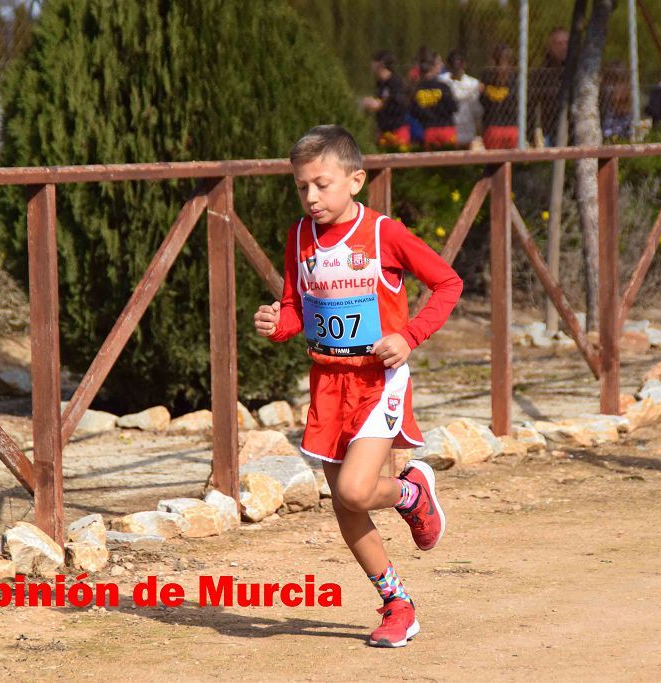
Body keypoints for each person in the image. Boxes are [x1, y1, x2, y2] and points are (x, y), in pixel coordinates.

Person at [254, 125, 463, 646]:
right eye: (301, 186)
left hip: (379, 382)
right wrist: (278, 324)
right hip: (327, 384)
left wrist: (409, 336)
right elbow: (295, 306)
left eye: (321, 184)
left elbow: (447, 282)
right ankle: (398, 604)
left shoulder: (383, 234)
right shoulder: (299, 237)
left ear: (356, 180)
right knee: (346, 504)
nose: (310, 197)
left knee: (354, 489)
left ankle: (411, 491)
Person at [528, 27, 569, 145]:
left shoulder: (579, 73)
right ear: (550, 47)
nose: (564, 47)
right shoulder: (541, 75)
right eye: (559, 43)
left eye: (567, 43)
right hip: (549, 130)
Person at [362, 50, 410, 150]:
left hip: (397, 130)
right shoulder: (379, 83)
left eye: (374, 61)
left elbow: (399, 105)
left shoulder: (395, 82)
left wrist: (381, 104)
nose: (371, 65)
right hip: (383, 130)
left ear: (381, 64)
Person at [410, 55, 458, 149]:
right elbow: (453, 107)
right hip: (446, 129)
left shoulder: (417, 89)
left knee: (432, 161)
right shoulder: (443, 87)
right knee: (450, 160)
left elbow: (414, 111)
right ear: (432, 68)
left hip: (429, 129)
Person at [439, 50, 483, 147]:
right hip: (449, 128)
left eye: (460, 64)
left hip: (468, 128)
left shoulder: (473, 83)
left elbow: (477, 110)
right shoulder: (442, 81)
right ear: (449, 66)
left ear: (464, 64)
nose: (457, 68)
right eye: (454, 64)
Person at [479, 43, 519, 149]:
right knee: (508, 161)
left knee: (494, 162)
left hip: (496, 128)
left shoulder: (487, 77)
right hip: (509, 128)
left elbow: (483, 104)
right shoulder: (515, 79)